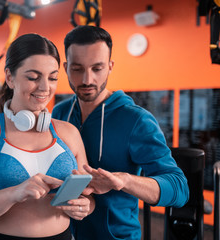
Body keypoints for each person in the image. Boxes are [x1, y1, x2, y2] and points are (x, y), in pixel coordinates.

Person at [0, 33, 94, 240]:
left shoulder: (69, 132)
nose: (45, 88)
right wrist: (13, 194)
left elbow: (86, 198)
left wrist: (85, 207)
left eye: (53, 78)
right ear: (10, 77)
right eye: (33, 77)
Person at [52, 25, 189, 240]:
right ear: (66, 67)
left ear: (110, 66)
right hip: (62, 233)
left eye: (97, 68)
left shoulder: (136, 120)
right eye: (78, 69)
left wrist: (124, 180)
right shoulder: (60, 113)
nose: (87, 79)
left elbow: (178, 188)